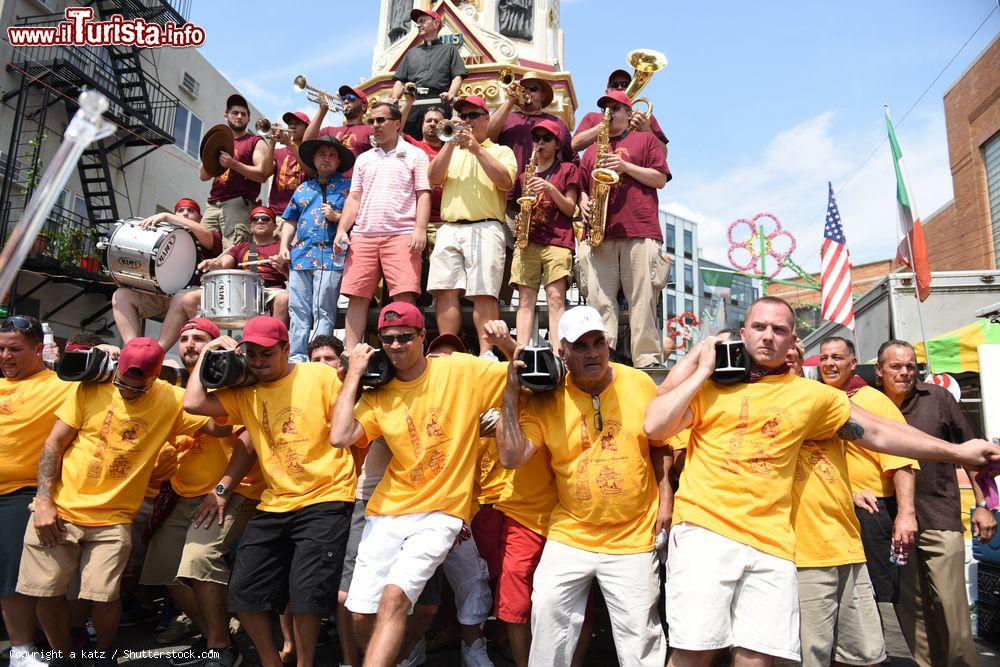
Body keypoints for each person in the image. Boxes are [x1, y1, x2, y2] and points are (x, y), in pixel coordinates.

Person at [642, 297, 1000, 666]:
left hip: (772, 543)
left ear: (793, 339)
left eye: (779, 330)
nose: (768, 337)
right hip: (706, 531)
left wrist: (958, 453)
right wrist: (703, 365)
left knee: (757, 657)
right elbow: (655, 425)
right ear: (743, 332)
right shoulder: (709, 388)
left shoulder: (813, 397)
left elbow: (880, 431)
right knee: (694, 652)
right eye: (760, 327)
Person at [15, 338, 219, 667]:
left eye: (137, 388)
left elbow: (218, 425)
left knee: (104, 597)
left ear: (155, 377)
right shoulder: (90, 387)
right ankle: (63, 657)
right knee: (43, 590)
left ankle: (105, 655)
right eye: (122, 382)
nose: (126, 390)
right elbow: (53, 444)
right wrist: (42, 501)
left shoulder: (169, 398)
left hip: (113, 519)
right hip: (60, 510)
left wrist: (213, 367)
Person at [329, 303, 513, 667]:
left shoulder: (459, 369)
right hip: (387, 510)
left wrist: (506, 344)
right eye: (387, 339)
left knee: (396, 598)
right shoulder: (380, 392)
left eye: (404, 337)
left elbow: (520, 373)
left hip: (441, 512)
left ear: (422, 337)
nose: (396, 345)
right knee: (361, 612)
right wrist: (354, 375)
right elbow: (339, 436)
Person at [495, 305, 671, 666]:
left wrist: (666, 501)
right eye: (581, 346)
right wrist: (510, 393)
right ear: (563, 353)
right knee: (547, 619)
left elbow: (662, 446)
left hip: (632, 536)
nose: (592, 353)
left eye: (598, 343)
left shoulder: (637, 382)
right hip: (571, 533)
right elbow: (512, 457)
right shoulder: (546, 396)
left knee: (641, 639)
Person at [183, 315, 357, 667]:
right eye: (252, 354)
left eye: (267, 353)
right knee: (244, 590)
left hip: (327, 495)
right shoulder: (246, 391)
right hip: (275, 502)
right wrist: (209, 352)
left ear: (285, 348)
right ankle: (270, 662)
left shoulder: (318, 375)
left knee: (306, 594)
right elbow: (193, 403)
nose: (259, 361)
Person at [138, 318, 265, 667]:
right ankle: (214, 636)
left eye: (200, 339)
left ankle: (221, 647)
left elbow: (245, 438)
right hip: (183, 493)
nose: (190, 344)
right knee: (163, 573)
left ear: (218, 343)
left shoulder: (236, 380)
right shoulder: (178, 387)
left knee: (198, 563)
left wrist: (223, 488)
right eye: (185, 339)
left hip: (228, 493)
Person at [876, 339, 994, 667]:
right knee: (912, 614)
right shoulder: (870, 405)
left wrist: (984, 504)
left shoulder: (937, 398)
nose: (904, 372)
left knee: (952, 613)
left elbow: (973, 451)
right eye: (896, 366)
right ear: (880, 370)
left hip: (940, 516)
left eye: (910, 366)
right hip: (892, 522)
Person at [789, 339, 894, 666]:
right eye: (826, 357)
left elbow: (880, 437)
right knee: (810, 654)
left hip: (846, 543)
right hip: (800, 551)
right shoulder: (753, 402)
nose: (786, 358)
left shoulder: (826, 400)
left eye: (794, 353)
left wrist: (955, 452)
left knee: (865, 653)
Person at [819, 337, 919, 610]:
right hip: (836, 509)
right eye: (824, 358)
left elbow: (902, 459)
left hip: (873, 511)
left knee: (877, 596)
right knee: (843, 594)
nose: (829, 364)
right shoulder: (822, 400)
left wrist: (906, 514)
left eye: (837, 358)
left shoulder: (873, 401)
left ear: (853, 364)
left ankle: (880, 652)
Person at [0, 316, 74, 667]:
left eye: (15, 349)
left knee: (21, 579)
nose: (6, 356)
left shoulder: (61, 387)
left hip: (21, 495)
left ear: (38, 349)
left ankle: (26, 651)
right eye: (0, 349)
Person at [578, 90, 670, 368]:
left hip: (639, 229)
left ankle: (647, 359)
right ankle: (604, 358)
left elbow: (660, 179)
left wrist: (625, 166)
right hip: (600, 233)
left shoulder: (646, 140)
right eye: (605, 108)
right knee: (599, 301)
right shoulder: (592, 150)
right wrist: (583, 201)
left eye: (615, 108)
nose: (609, 112)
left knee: (642, 299)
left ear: (629, 114)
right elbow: (583, 188)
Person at [334, 101, 431, 351]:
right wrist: (342, 230)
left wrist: (420, 229)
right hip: (363, 236)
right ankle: (350, 354)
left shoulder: (415, 154)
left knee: (404, 296)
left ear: (397, 124)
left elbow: (423, 194)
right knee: (356, 298)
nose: (375, 125)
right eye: (372, 121)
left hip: (401, 234)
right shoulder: (364, 159)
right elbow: (354, 198)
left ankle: (407, 353)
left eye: (381, 120)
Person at [427, 96, 517, 356]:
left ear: (486, 119)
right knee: (445, 290)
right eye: (462, 117)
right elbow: (433, 178)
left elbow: (505, 182)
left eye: (473, 116)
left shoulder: (500, 150)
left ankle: (486, 352)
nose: (466, 121)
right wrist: (449, 143)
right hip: (451, 226)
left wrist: (477, 149)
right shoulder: (452, 150)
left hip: (486, 226)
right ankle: (447, 350)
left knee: (484, 292)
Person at [111, 198, 223, 352]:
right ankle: (134, 350)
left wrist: (167, 216)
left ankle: (157, 353)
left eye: (191, 211)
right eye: (181, 210)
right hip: (160, 294)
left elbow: (205, 234)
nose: (185, 213)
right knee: (121, 295)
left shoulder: (209, 236)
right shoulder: (163, 236)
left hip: (189, 297)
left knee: (181, 297)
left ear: (200, 217)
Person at [279, 135, 354, 362]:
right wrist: (284, 246)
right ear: (314, 158)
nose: (327, 159)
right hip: (301, 257)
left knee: (323, 310)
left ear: (338, 162)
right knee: (298, 310)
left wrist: (336, 216)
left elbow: (355, 219)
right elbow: (290, 220)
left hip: (331, 258)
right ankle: (296, 358)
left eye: (332, 155)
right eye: (322, 154)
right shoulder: (302, 188)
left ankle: (320, 358)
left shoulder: (348, 187)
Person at [509, 120, 579, 347]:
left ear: (557, 145)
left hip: (558, 241)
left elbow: (570, 208)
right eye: (537, 138)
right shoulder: (524, 176)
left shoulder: (568, 170)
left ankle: (559, 351)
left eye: (546, 138)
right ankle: (521, 350)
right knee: (525, 301)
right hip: (528, 241)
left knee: (556, 298)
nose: (540, 143)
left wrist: (550, 189)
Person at [191, 206, 290, 325]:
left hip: (271, 291)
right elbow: (223, 263)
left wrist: (284, 270)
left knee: (284, 298)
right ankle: (203, 337)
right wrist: (213, 263)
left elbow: (297, 279)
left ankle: (277, 340)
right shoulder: (240, 247)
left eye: (265, 218)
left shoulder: (284, 249)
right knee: (189, 298)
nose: (259, 221)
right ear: (250, 227)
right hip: (240, 290)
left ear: (274, 226)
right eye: (255, 219)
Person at [199, 93, 272, 248]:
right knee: (201, 248)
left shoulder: (255, 141)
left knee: (233, 251)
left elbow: (262, 175)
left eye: (243, 114)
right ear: (226, 116)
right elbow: (203, 176)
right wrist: (211, 150)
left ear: (248, 119)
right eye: (235, 113)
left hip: (238, 203)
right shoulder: (219, 139)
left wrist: (233, 163)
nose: (239, 117)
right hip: (213, 204)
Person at [390, 8, 467, 140]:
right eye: (417, 22)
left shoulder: (450, 50)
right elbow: (400, 80)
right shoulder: (411, 53)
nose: (418, 25)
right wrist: (394, 97)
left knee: (438, 142)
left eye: (422, 21)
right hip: (413, 104)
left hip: (438, 104)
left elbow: (457, 76)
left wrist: (451, 94)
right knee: (406, 140)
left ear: (436, 24)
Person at [486, 71, 576, 175]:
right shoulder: (507, 117)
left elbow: (570, 160)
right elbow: (486, 138)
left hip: (543, 187)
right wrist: (509, 102)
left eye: (533, 88)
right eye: (523, 88)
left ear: (543, 95)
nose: (527, 91)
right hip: (507, 187)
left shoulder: (557, 123)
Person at [570, 69, 669, 152]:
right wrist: (605, 124)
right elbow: (575, 145)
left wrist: (647, 130)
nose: (620, 87)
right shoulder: (592, 117)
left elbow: (663, 154)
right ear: (606, 92)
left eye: (625, 84)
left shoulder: (644, 117)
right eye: (614, 84)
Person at [303, 84, 373, 178]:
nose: (346, 101)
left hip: (357, 186)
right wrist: (322, 110)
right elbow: (307, 141)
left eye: (351, 98)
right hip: (329, 188)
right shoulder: (329, 130)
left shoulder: (370, 129)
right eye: (343, 98)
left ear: (364, 107)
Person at [265, 111, 310, 228]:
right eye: (290, 123)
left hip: (301, 213)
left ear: (308, 128)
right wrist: (272, 142)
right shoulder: (278, 152)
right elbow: (265, 173)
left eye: (298, 123)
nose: (292, 126)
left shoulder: (311, 153)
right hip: (277, 213)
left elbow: (310, 170)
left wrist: (290, 143)